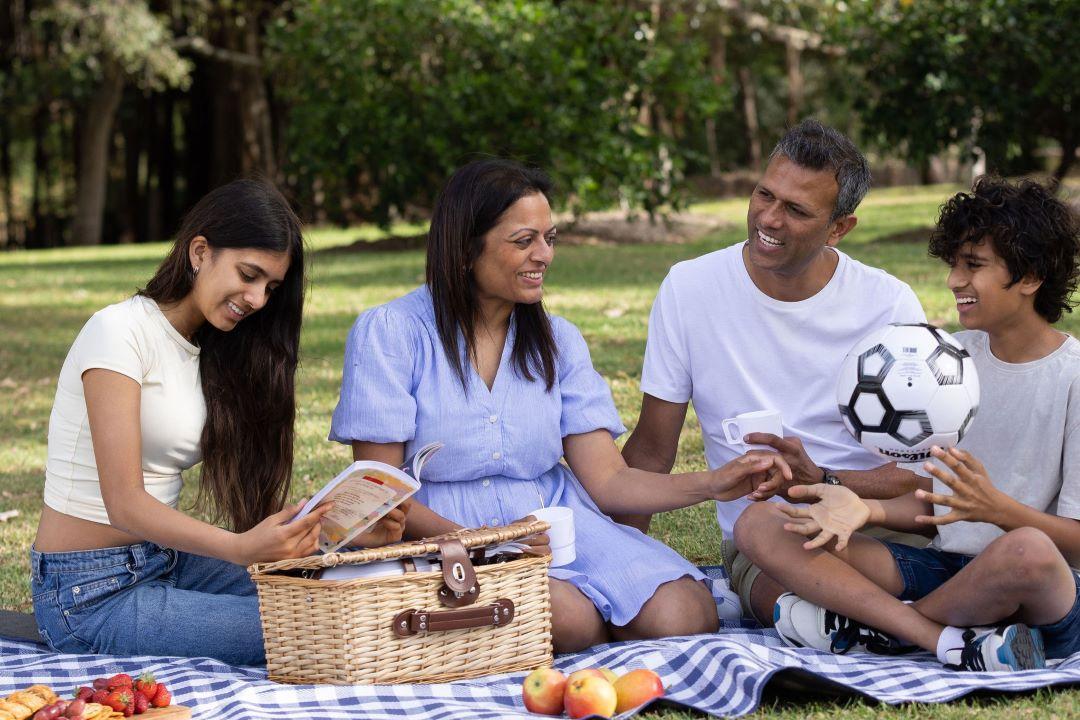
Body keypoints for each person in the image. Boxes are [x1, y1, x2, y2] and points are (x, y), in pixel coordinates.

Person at [329, 158, 792, 652]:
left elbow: (609, 482)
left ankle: (591, 613)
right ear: (466, 248)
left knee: (686, 615)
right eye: (524, 241)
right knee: (569, 622)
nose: (544, 255)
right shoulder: (390, 333)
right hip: (445, 535)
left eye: (550, 238)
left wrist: (715, 483)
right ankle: (585, 618)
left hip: (553, 523)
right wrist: (490, 540)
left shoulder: (559, 341)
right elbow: (379, 493)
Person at [30, 179, 406, 666]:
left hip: (161, 561)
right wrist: (240, 548)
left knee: (335, 590)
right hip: (87, 594)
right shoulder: (118, 332)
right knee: (313, 629)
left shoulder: (213, 348)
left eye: (270, 287)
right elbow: (122, 503)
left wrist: (333, 532)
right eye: (248, 275)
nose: (257, 299)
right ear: (200, 251)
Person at [736, 177, 1080, 671]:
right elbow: (937, 499)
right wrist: (863, 509)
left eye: (974, 266)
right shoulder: (955, 359)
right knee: (761, 522)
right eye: (955, 264)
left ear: (1030, 277)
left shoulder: (1072, 377)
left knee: (1027, 550)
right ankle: (933, 637)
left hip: (1042, 590)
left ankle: (882, 631)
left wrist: (997, 509)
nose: (954, 280)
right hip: (945, 567)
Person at [620, 119, 930, 625]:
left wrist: (827, 480)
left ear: (839, 228)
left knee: (827, 597)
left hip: (876, 526)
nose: (769, 217)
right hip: (767, 537)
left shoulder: (887, 305)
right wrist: (617, 566)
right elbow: (652, 450)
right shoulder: (690, 288)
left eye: (796, 209)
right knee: (775, 592)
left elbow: (920, 467)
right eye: (765, 194)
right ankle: (901, 626)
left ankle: (869, 625)